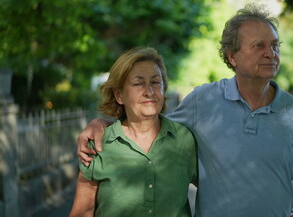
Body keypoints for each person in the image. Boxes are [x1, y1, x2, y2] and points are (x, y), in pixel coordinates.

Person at [78, 3, 293, 217]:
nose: (271, 53)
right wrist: (102, 123)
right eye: (259, 46)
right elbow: (148, 125)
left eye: (275, 45)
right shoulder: (202, 100)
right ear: (232, 56)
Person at [69, 47, 198, 217]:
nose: (149, 92)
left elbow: (216, 192)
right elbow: (82, 212)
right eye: (138, 83)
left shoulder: (184, 139)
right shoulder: (99, 144)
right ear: (119, 95)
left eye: (155, 82)